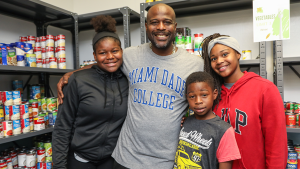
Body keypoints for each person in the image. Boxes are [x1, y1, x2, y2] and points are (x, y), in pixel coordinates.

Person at [57, 3, 204, 169]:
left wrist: (192, 119)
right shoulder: (130, 55)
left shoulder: (196, 64)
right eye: (155, 22)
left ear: (175, 27)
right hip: (125, 158)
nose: (161, 27)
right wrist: (73, 74)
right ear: (146, 26)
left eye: (167, 22)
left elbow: (207, 97)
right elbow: (106, 61)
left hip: (167, 161)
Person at [52, 15, 129, 169]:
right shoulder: (78, 81)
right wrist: (59, 166)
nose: (110, 57)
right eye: (102, 53)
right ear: (94, 56)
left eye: (115, 51)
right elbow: (62, 126)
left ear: (122, 51)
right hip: (80, 159)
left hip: (112, 159)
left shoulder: (128, 79)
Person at [201, 33, 287, 168]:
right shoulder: (213, 94)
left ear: (238, 54)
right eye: (213, 58)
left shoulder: (265, 89)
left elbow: (277, 145)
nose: (219, 61)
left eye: (224, 54)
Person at [174, 71, 241, 169]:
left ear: (214, 94)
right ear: (187, 97)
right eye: (192, 96)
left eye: (204, 95)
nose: (198, 101)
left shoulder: (224, 130)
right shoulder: (185, 122)